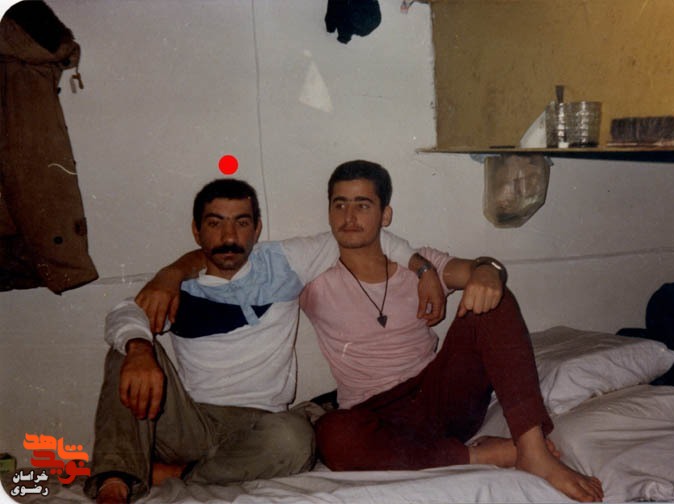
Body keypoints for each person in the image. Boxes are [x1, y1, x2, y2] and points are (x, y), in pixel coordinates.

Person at [85, 178, 440, 504]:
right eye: (215, 223)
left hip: (261, 425)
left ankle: (180, 474)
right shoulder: (178, 288)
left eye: (241, 223)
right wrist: (140, 346)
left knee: (296, 438)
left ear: (256, 229)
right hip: (191, 422)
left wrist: (422, 269)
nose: (229, 236)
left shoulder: (283, 263)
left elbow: (358, 236)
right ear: (196, 231)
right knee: (126, 349)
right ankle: (114, 482)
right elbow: (124, 313)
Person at [297, 160, 604, 502]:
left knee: (492, 299)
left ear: (385, 215)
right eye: (339, 204)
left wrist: (488, 270)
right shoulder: (312, 279)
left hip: (439, 394)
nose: (349, 216)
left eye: (363, 205)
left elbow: (478, 270)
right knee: (332, 434)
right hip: (375, 413)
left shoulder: (421, 264)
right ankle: (481, 455)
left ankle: (533, 451)